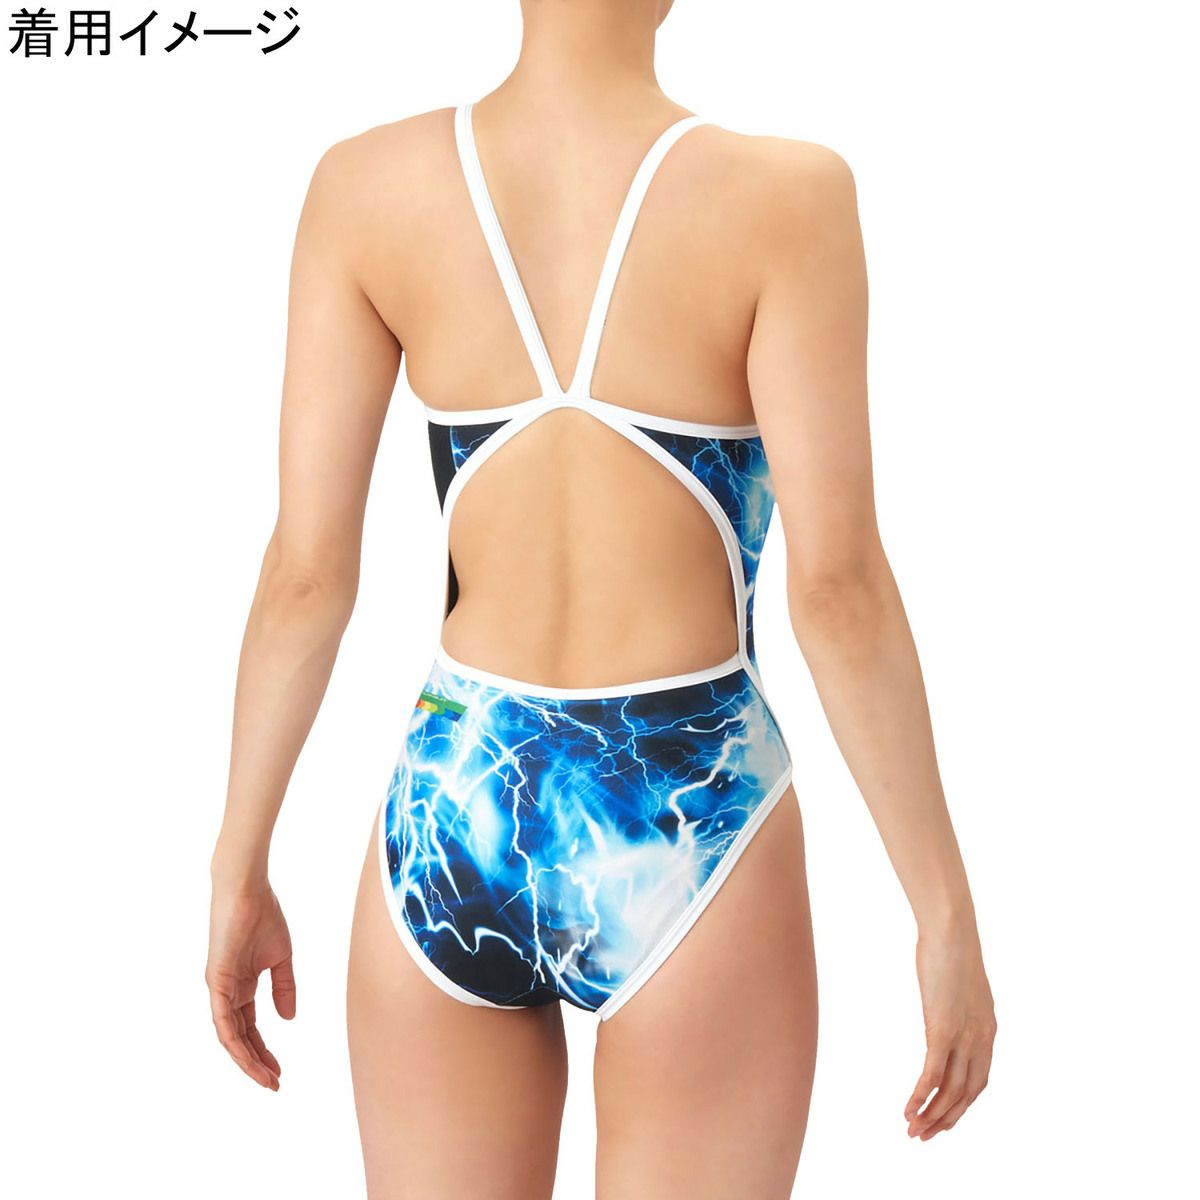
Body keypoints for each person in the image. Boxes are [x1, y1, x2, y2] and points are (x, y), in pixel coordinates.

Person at [205, 1, 996, 1195]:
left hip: (455, 799)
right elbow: (837, 591)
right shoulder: (788, 197)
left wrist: (238, 862)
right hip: (693, 806)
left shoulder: (366, 188)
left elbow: (305, 579)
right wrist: (943, 914)